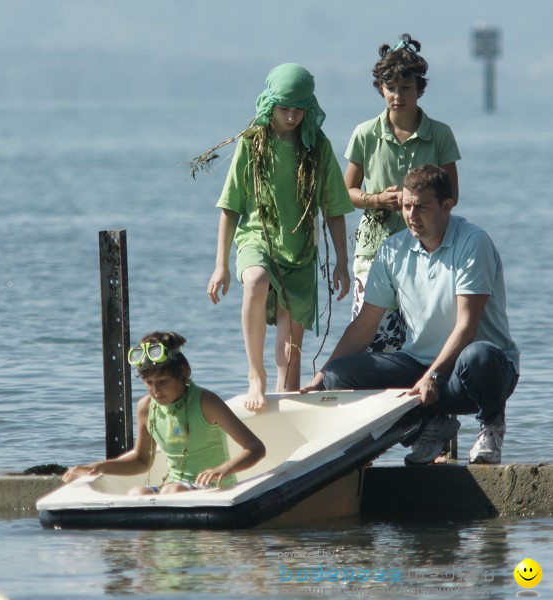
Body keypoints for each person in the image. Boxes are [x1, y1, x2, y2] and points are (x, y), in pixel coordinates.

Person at [303, 165, 519, 465]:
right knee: (339, 374)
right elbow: (364, 325)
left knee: (479, 356)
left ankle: (491, 426)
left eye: (421, 207)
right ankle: (427, 425)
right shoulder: (392, 249)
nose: (411, 216)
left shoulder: (473, 242)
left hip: (473, 373)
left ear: (447, 206)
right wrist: (321, 375)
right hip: (418, 367)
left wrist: (434, 375)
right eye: (406, 206)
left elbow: (466, 326)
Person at [205, 63, 353, 411]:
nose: (291, 116)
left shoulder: (316, 146)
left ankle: (287, 406)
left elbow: (333, 208)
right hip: (258, 238)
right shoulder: (252, 143)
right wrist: (220, 266)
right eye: (284, 107)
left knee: (291, 349)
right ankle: (256, 375)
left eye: (299, 108)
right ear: (270, 104)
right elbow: (230, 207)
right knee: (255, 280)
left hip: (300, 249)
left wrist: (343, 263)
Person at [345, 34, 461, 353]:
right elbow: (347, 193)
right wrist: (377, 200)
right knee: (371, 335)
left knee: (419, 335)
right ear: (381, 89)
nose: (398, 96)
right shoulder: (365, 134)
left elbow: (452, 196)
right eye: (391, 88)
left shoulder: (439, 134)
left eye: (406, 88)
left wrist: (419, 206)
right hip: (373, 248)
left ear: (419, 89)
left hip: (426, 248)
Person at [63, 332, 266, 494]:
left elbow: (255, 447)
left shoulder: (206, 402)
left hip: (214, 490)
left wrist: (224, 469)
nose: (156, 391)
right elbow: (141, 461)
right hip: (172, 488)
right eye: (149, 383)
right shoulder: (146, 407)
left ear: (183, 371)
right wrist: (98, 467)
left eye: (162, 381)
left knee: (174, 490)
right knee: (137, 493)